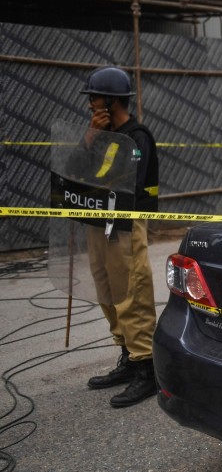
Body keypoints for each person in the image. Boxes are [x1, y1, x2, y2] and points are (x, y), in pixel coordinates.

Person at [79, 67, 161, 408]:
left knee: (131, 290)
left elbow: (130, 180)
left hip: (124, 224)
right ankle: (128, 355)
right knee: (106, 289)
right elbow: (73, 172)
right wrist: (89, 139)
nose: (90, 104)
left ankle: (147, 367)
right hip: (97, 222)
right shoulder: (97, 133)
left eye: (94, 98)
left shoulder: (137, 136)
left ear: (111, 100)